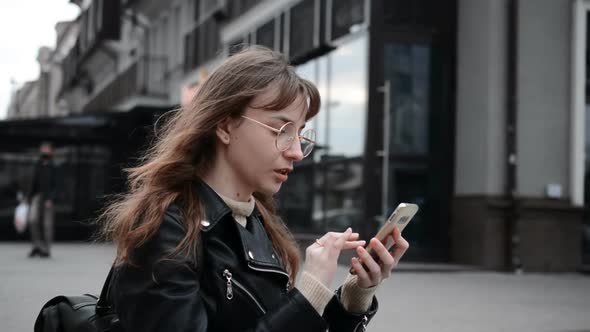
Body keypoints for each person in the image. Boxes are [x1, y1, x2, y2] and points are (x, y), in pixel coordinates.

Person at [98, 46, 410, 332]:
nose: (297, 152)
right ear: (224, 125)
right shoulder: (166, 227)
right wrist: (309, 290)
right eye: (282, 129)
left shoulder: (256, 221)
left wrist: (353, 299)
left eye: (300, 134)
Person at [27, 142, 57, 258]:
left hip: (48, 198)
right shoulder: (38, 164)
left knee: (47, 225)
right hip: (37, 196)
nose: (44, 151)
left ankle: (46, 249)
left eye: (46, 149)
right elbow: (33, 182)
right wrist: (29, 197)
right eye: (42, 149)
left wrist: (51, 198)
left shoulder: (54, 167)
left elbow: (57, 185)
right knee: (33, 220)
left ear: (51, 151)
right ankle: (37, 246)